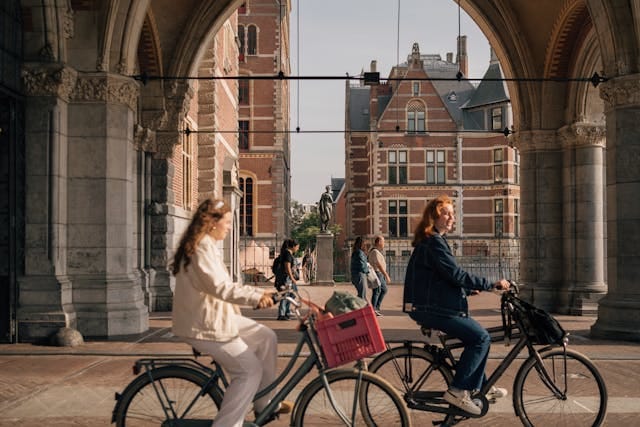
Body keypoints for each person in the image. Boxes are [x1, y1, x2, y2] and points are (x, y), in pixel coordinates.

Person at [171, 198, 292, 426]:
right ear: (212, 223)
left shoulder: (207, 245)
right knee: (249, 372)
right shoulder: (202, 248)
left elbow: (226, 285)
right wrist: (257, 297)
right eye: (226, 222)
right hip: (204, 324)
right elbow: (219, 287)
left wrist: (261, 293)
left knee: (267, 337)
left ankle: (264, 405)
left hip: (216, 317)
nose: (229, 227)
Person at [405, 195, 509, 416]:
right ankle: (458, 390)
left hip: (431, 306)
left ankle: (478, 388)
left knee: (480, 338)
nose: (452, 217)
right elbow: (456, 273)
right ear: (434, 216)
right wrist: (491, 284)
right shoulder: (433, 241)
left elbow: (442, 278)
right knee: (480, 338)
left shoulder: (435, 240)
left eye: (453, 213)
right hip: (432, 309)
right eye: (447, 213)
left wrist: (466, 289)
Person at [275, 239, 299, 320]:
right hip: (286, 278)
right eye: (297, 247)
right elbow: (287, 267)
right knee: (285, 295)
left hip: (288, 278)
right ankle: (282, 314)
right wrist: (292, 277)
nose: (297, 248)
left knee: (292, 294)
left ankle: (286, 311)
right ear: (293, 246)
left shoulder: (288, 253)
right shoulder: (287, 254)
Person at [368, 235, 390, 316]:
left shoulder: (376, 251)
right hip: (377, 273)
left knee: (382, 290)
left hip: (379, 274)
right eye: (383, 241)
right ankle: (374, 309)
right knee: (377, 291)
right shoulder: (374, 252)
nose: (384, 243)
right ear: (379, 242)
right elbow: (378, 264)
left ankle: (376, 308)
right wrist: (386, 275)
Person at [350, 236, 369, 300]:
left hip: (356, 275)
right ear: (362, 243)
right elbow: (362, 265)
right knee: (362, 294)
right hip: (360, 275)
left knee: (361, 294)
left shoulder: (355, 252)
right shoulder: (359, 252)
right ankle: (359, 308)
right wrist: (367, 271)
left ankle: (359, 307)